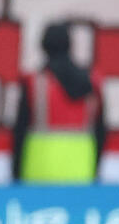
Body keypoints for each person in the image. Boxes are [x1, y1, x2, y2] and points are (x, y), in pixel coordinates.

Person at [12, 22, 106, 183]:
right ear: (70, 46)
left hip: (40, 171)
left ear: (43, 47)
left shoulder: (35, 83)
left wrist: (15, 173)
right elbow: (101, 131)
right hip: (82, 170)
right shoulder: (92, 82)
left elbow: (19, 131)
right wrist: (96, 170)